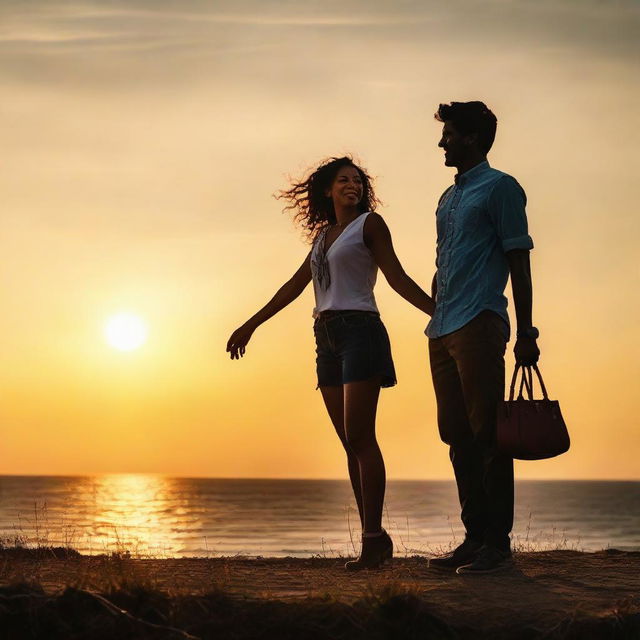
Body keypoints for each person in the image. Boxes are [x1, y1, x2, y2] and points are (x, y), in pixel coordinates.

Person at [226, 156, 434, 570]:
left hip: (361, 332)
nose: (351, 185)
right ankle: (372, 539)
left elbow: (395, 276)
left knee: (361, 436)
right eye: (343, 180)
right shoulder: (323, 237)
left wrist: (440, 312)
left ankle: (374, 539)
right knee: (348, 443)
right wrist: (251, 325)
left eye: (357, 180)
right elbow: (294, 285)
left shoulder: (369, 226)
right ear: (327, 189)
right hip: (326, 337)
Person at [426, 102, 540, 575]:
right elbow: (442, 263)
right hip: (442, 327)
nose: (442, 142)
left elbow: (519, 259)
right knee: (456, 434)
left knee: (490, 434)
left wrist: (528, 330)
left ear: (471, 138)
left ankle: (498, 543)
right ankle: (474, 537)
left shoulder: (501, 188)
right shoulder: (448, 198)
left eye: (449, 134)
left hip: (480, 320)